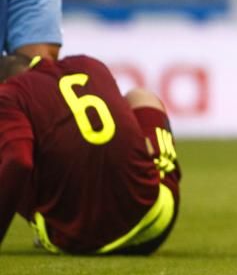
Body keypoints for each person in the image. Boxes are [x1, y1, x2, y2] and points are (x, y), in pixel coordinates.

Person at [0, 52, 180, 255]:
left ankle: (54, 219)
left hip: (74, 240)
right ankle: (160, 171)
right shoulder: (89, 64)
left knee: (11, 147)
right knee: (141, 96)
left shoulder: (8, 95)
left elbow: (18, 161)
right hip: (151, 221)